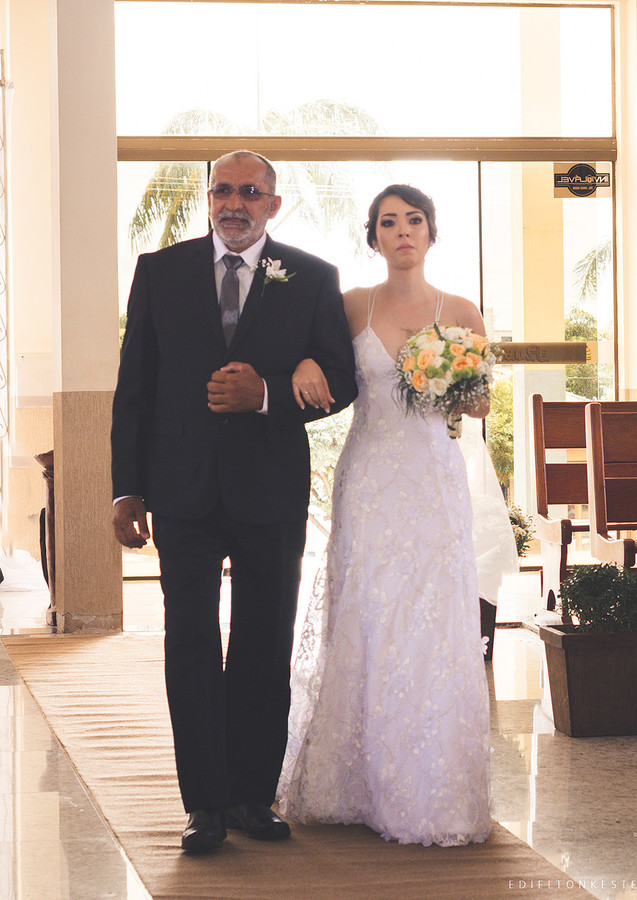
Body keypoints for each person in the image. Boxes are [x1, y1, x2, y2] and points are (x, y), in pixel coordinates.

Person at [110, 151, 358, 853]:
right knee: (189, 642)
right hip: (181, 490)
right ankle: (205, 805)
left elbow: (341, 379)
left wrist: (270, 393)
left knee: (263, 642)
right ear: (208, 197)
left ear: (273, 205)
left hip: (269, 489)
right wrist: (127, 487)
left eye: (250, 192)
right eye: (223, 189)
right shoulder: (159, 271)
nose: (234, 202)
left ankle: (253, 796)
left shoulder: (312, 276)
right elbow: (136, 385)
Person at [276, 184, 492, 846]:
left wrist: (451, 381)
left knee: (430, 619)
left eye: (414, 220)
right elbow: (305, 353)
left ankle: (429, 788)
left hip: (434, 482)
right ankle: (351, 785)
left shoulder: (460, 310)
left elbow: (481, 405)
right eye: (388, 222)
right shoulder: (350, 305)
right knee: (366, 613)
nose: (402, 231)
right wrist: (305, 359)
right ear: (372, 238)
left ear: (431, 232)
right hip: (369, 477)